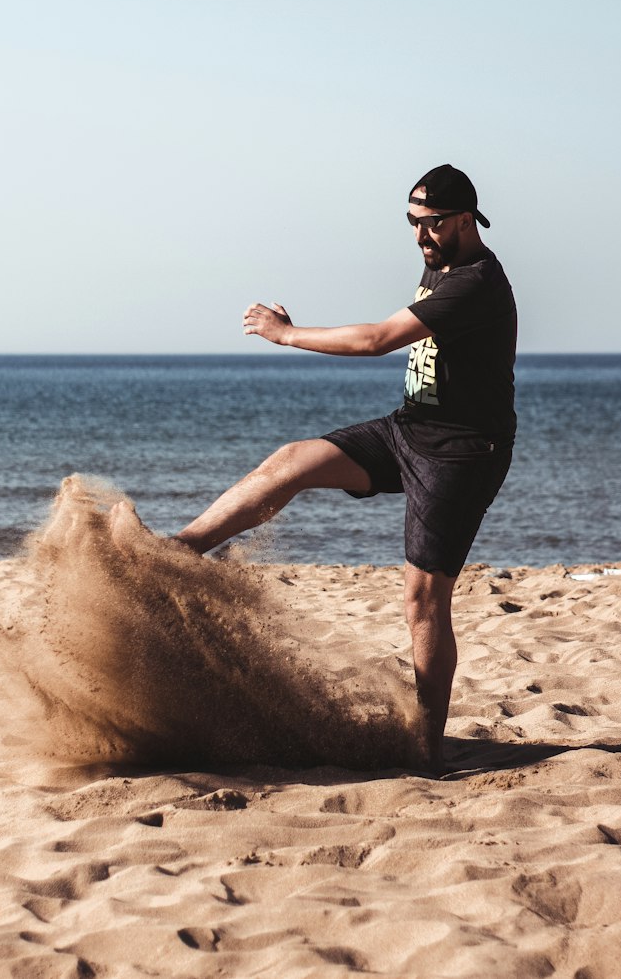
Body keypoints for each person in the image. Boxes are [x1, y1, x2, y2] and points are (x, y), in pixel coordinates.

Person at [110, 164, 517, 771]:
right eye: (412, 223)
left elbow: (379, 338)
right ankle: (177, 551)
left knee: (423, 599)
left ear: (466, 220)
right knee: (293, 460)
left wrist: (287, 333)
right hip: (409, 429)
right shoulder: (441, 260)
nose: (420, 237)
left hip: (462, 452)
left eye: (431, 225)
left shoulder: (477, 282)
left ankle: (429, 750)